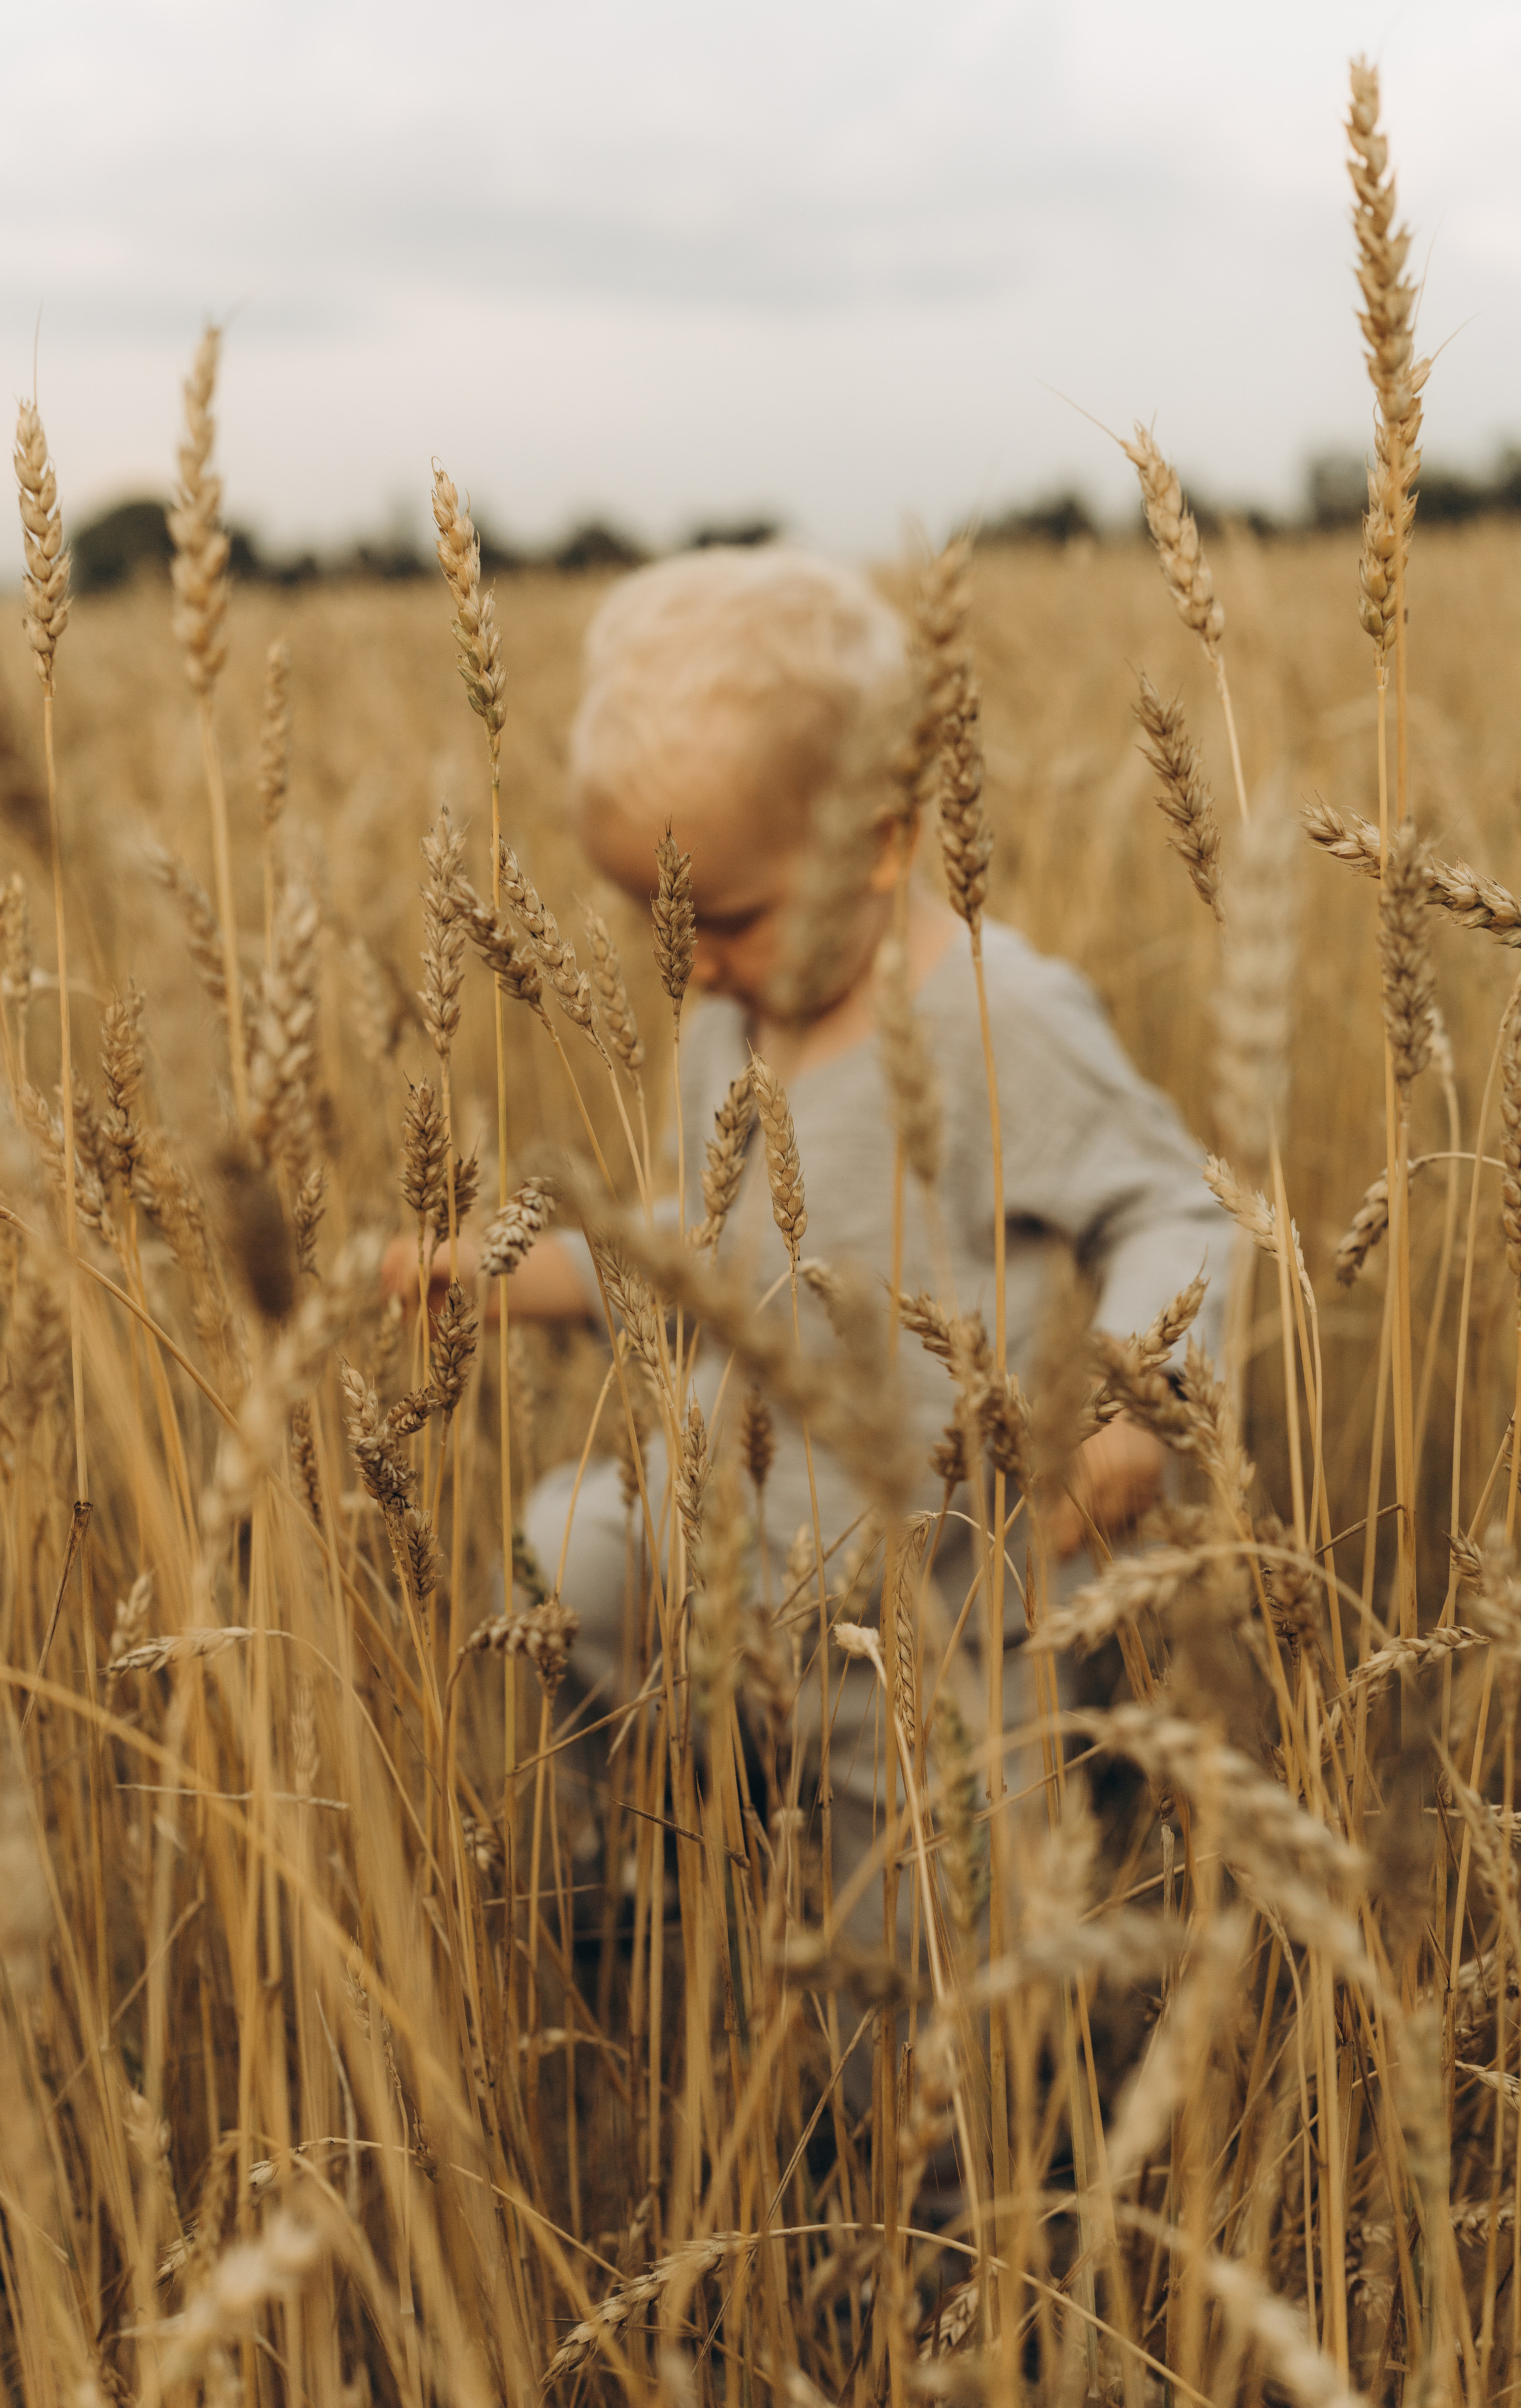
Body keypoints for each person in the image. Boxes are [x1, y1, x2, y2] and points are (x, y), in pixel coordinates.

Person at [399, 545, 1231, 1983]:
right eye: (663, 915)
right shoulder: (730, 1023)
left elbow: (1177, 1213)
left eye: (724, 916)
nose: (694, 958)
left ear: (886, 839)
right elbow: (696, 1263)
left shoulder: (996, 1019)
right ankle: (662, 1867)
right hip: (728, 1535)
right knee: (563, 1553)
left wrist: (1141, 1409)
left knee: (917, 1939)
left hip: (926, 1582)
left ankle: (945, 2157)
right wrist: (493, 1270)